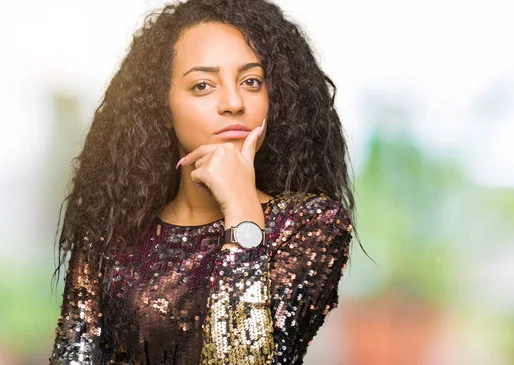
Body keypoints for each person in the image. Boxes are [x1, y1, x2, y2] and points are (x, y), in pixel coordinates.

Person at [49, 0, 362, 363]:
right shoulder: (112, 234)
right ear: (161, 108)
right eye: (202, 85)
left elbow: (244, 360)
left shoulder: (311, 224)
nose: (233, 102)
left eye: (251, 81)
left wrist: (242, 208)